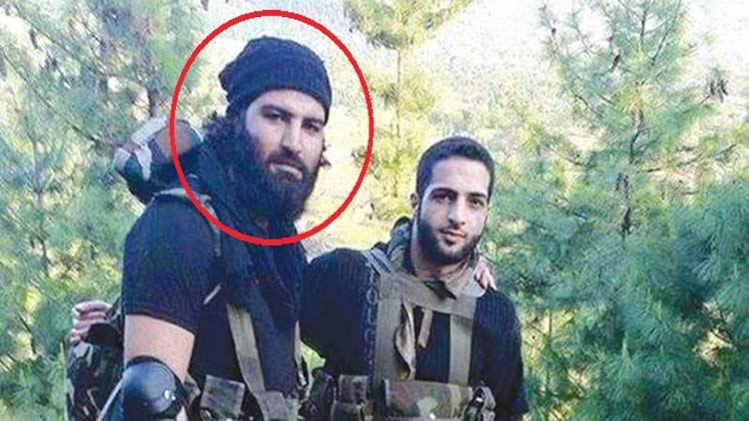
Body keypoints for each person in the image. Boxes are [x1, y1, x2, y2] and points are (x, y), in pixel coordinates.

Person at [112, 36, 333, 421]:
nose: (294, 143)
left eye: (311, 126)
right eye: (275, 116)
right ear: (237, 121)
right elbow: (148, 397)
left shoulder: (280, 245)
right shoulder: (180, 225)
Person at [301, 136, 529, 421]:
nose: (458, 216)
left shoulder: (495, 313)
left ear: (486, 213)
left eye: (474, 202)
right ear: (416, 202)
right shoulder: (345, 276)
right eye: (444, 196)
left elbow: (509, 413)